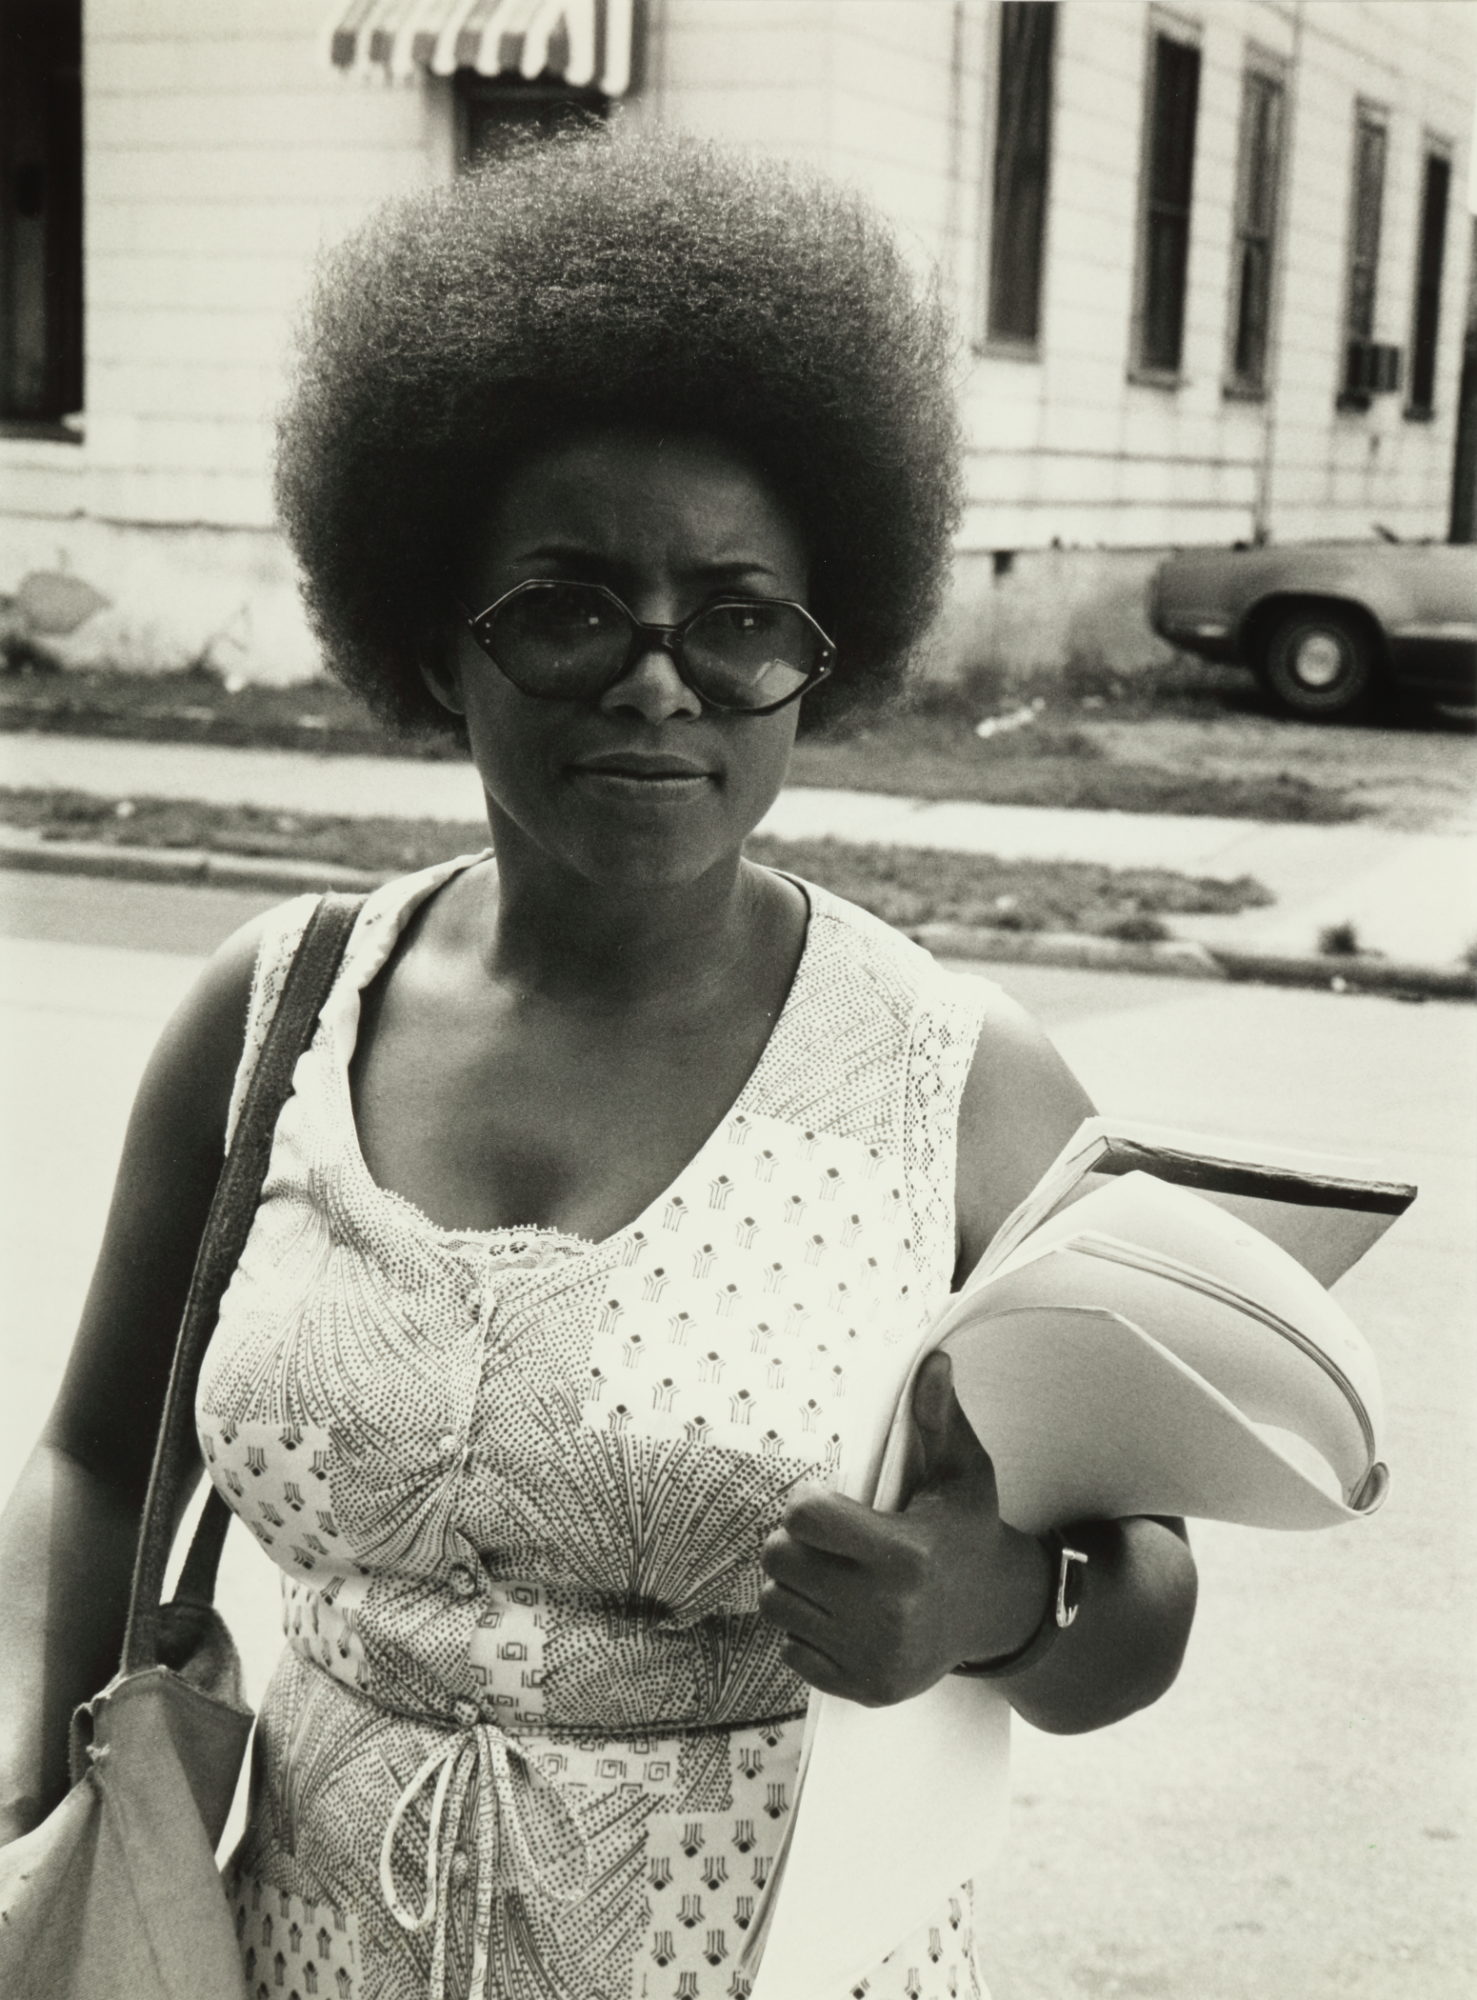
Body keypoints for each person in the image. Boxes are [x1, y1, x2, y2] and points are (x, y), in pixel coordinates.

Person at [0, 131, 1196, 1999]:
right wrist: (41, 1787)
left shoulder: (957, 1083)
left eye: (736, 619)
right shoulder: (275, 1009)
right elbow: (91, 1450)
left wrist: (994, 1611)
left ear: (825, 652)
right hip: (296, 1953)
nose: (656, 681)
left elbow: (1142, 1585)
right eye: (564, 606)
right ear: (431, 636)